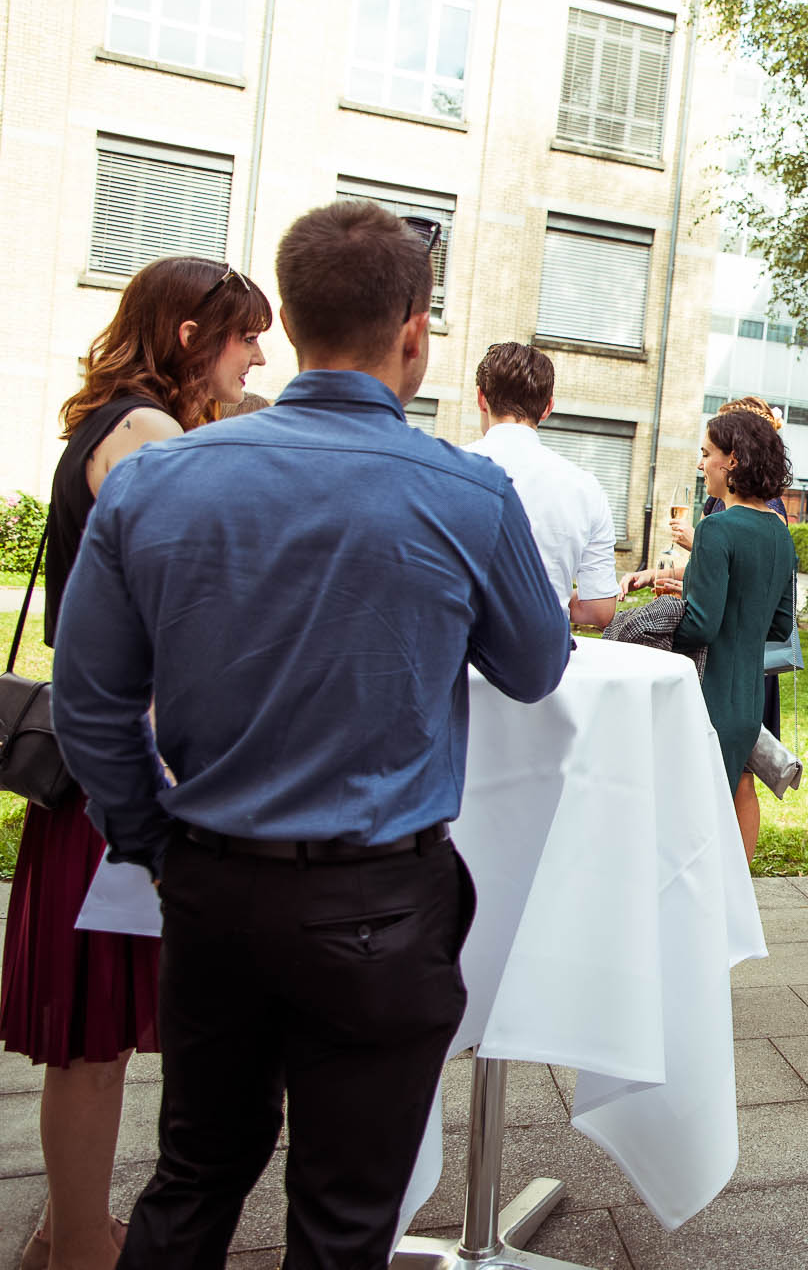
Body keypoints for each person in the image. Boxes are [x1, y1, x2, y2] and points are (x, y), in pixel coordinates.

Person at [51, 202, 571, 1269]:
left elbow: (90, 703)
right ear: (415, 329)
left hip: (214, 885)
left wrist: (157, 842)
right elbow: (534, 663)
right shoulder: (466, 489)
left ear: (283, 322)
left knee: (192, 1176)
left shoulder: (157, 477)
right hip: (376, 900)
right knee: (343, 1221)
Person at [0, 256, 269, 1270]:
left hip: (94, 754)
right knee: (94, 1035)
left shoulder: (113, 422)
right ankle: (75, 1248)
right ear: (192, 335)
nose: (258, 353)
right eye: (245, 333)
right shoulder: (147, 434)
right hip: (122, 766)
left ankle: (64, 1231)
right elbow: (194, 601)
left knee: (96, 1029)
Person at [642, 410, 799, 863]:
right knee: (714, 825)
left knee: (683, 828)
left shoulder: (716, 528)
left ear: (732, 461)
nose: (701, 464)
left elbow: (700, 626)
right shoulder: (779, 533)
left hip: (703, 698)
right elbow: (779, 626)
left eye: (706, 454)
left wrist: (668, 610)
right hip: (748, 705)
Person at [464, 341, 619, 628]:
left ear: (481, 398)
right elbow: (598, 611)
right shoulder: (585, 488)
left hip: (455, 660)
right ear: (548, 408)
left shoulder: (444, 470)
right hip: (540, 664)